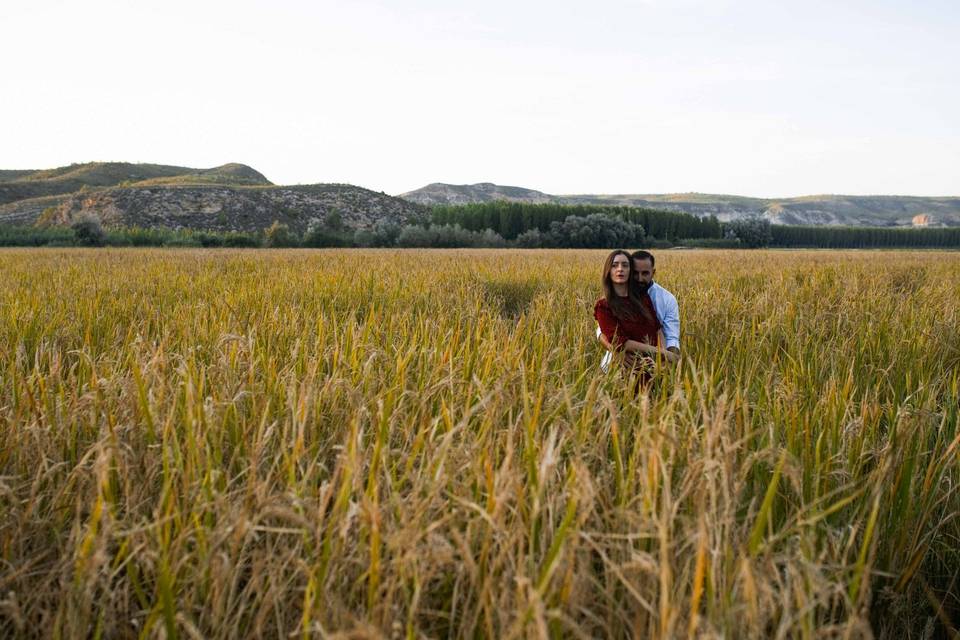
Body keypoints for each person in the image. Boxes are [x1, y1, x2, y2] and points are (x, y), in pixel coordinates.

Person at [594, 250, 677, 386]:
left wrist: (661, 360)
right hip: (621, 372)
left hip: (650, 370)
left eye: (625, 265)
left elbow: (657, 329)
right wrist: (662, 352)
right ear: (608, 271)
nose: (620, 269)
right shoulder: (604, 306)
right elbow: (619, 341)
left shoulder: (644, 300)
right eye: (615, 265)